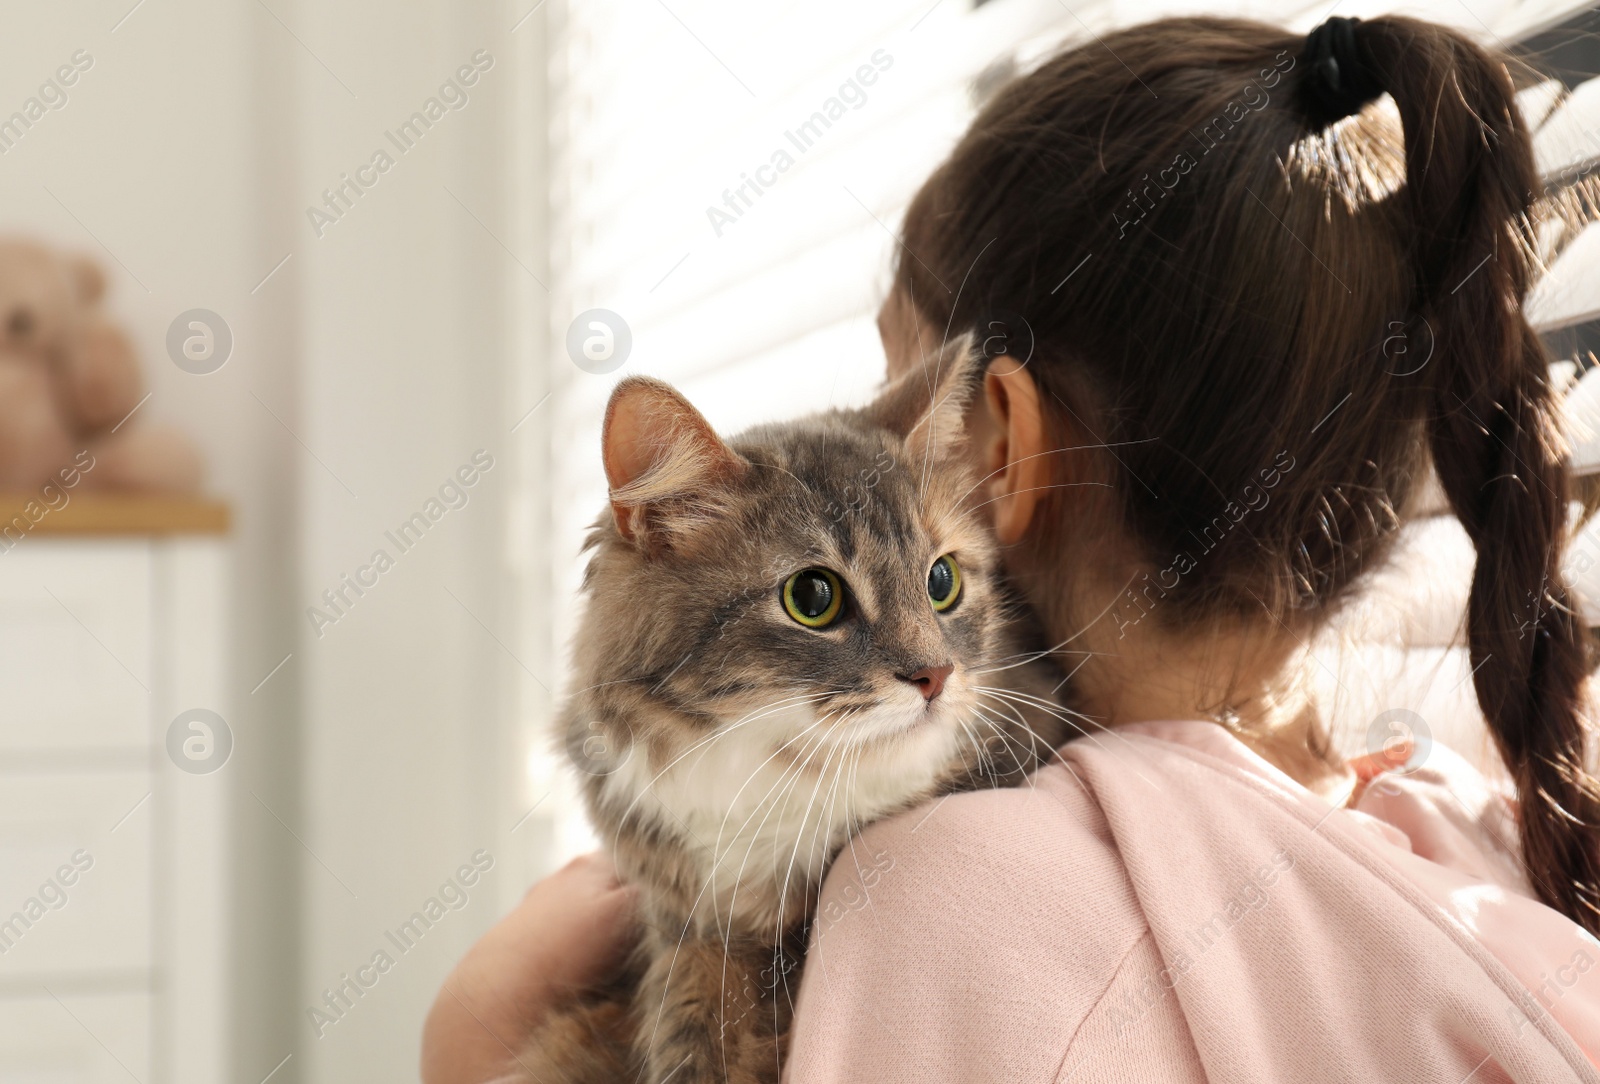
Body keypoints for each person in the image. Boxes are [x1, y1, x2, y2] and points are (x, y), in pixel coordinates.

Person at [424, 13, 1600, 1082]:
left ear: (999, 446)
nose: (876, 430)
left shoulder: (952, 903)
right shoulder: (1469, 828)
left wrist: (468, 1052)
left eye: (900, 384)